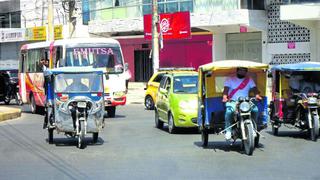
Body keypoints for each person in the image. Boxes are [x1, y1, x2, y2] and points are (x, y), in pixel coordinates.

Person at [222, 67, 262, 140]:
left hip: (245, 102)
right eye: (241, 70)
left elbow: (255, 89)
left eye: (244, 71)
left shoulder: (249, 80)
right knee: (229, 112)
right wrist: (225, 97)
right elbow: (225, 90)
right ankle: (228, 131)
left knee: (255, 110)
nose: (242, 72)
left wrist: (257, 95)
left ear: (246, 72)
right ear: (237, 71)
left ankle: (253, 128)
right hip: (233, 102)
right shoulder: (230, 79)